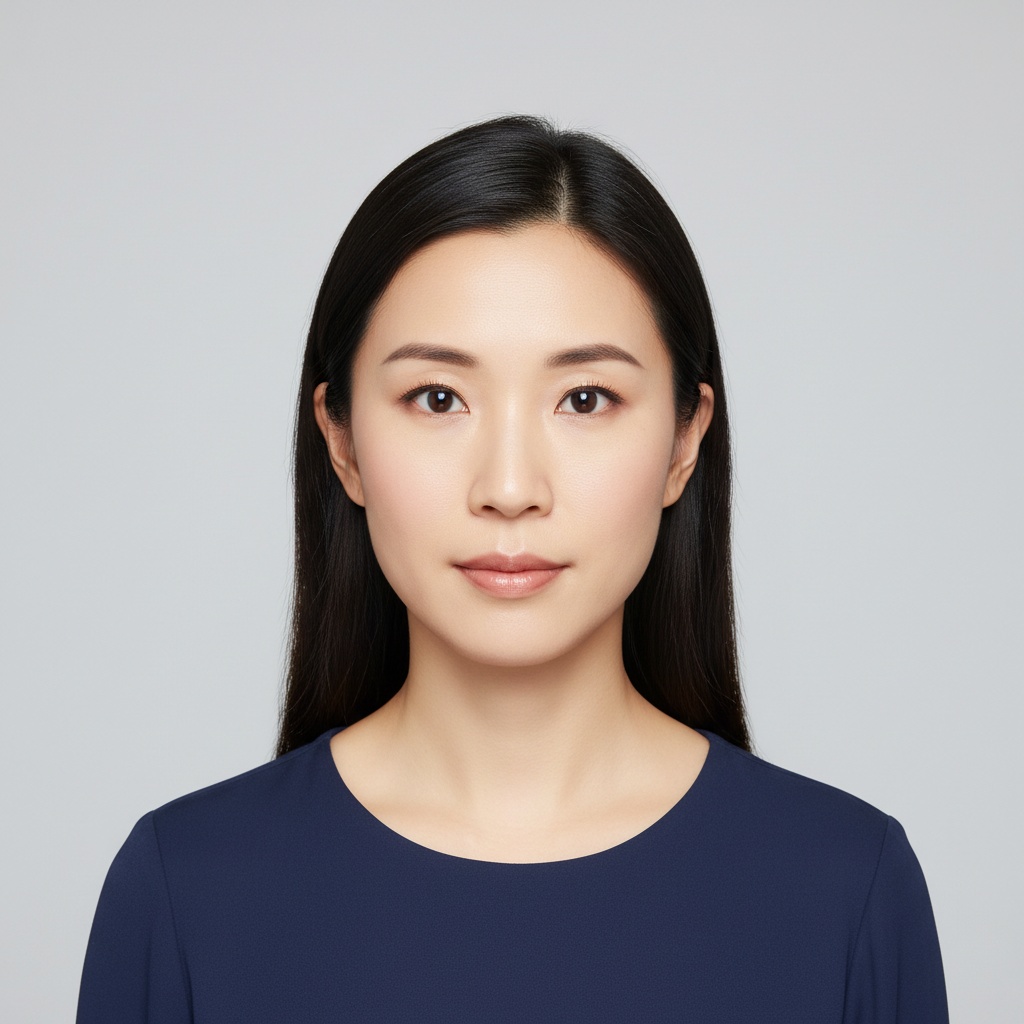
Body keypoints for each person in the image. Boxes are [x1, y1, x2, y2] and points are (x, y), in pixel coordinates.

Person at [76, 114, 949, 1022]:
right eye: (437, 398)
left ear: (685, 441)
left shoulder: (845, 890)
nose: (508, 488)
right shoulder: (186, 892)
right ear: (342, 442)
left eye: (585, 398)